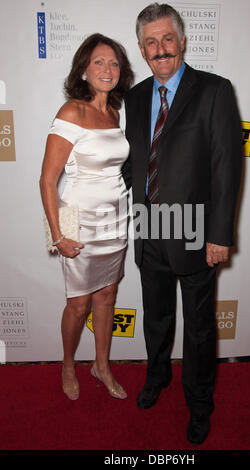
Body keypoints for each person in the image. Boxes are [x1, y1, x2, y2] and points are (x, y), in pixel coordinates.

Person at [122, 3, 242, 444]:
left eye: (167, 39)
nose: (160, 49)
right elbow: (134, 161)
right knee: (155, 317)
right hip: (148, 228)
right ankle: (156, 378)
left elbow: (227, 167)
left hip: (195, 231)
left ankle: (200, 402)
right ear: (141, 49)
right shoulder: (134, 97)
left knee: (199, 327)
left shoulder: (213, 90)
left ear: (182, 40)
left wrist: (219, 235)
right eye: (151, 43)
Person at [40, 33, 133, 401]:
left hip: (115, 219)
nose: (107, 69)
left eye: (113, 63)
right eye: (99, 62)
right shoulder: (71, 112)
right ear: (83, 69)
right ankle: (67, 364)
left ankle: (101, 366)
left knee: (107, 295)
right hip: (79, 221)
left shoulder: (114, 112)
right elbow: (48, 180)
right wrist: (59, 235)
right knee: (78, 304)